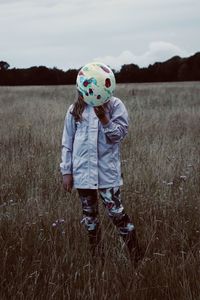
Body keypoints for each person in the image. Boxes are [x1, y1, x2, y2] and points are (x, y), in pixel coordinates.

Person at [60, 62, 141, 266]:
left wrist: (104, 118)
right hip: (83, 175)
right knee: (90, 219)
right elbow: (67, 142)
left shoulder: (115, 105)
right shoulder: (74, 109)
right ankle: (97, 259)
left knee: (117, 213)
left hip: (107, 174)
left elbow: (118, 136)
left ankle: (137, 255)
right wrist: (66, 171)